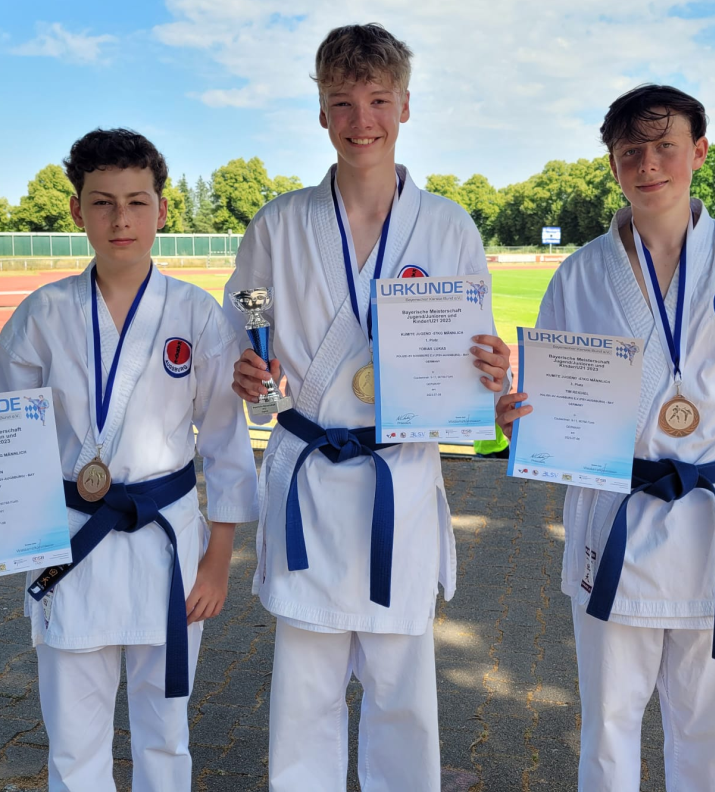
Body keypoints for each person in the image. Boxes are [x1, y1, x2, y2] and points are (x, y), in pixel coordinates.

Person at [0, 129, 259, 791]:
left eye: (137, 201)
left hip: (168, 542)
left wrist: (218, 559)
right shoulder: (42, 315)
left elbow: (227, 441)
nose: (121, 219)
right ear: (76, 212)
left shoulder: (198, 316)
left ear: (163, 210)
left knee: (166, 738)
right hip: (68, 545)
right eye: (102, 202)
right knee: (73, 744)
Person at [495, 85, 715, 791]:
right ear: (614, 166)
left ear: (699, 152)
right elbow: (558, 401)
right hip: (615, 514)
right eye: (630, 153)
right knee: (609, 720)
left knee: (713, 720)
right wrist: (521, 420)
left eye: (665, 147)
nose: (649, 165)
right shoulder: (581, 272)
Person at [224, 24, 511, 791]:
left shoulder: (449, 226)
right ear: (321, 112)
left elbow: (470, 353)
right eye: (342, 102)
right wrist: (244, 368)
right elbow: (240, 328)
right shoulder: (279, 223)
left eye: (378, 100)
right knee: (305, 693)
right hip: (311, 475)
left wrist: (489, 369)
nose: (362, 121)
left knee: (401, 690)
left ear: (406, 106)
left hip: (401, 478)